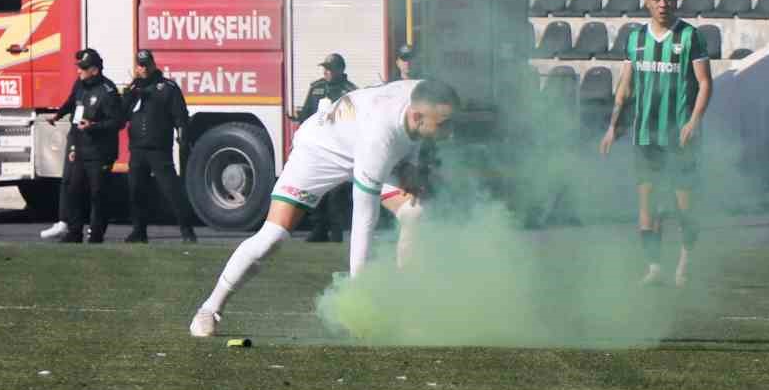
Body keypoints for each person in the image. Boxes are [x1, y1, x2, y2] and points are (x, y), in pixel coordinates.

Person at [190, 78, 460, 338]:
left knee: (415, 214)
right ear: (416, 117)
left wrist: (410, 164)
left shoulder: (423, 94)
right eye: (445, 125)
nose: (451, 132)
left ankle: (408, 312)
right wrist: (358, 297)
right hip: (319, 151)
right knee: (272, 238)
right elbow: (363, 218)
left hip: (363, 146)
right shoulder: (379, 137)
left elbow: (411, 136)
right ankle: (209, 309)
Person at [600, 0, 713, 287]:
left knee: (683, 207)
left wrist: (693, 121)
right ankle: (654, 268)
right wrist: (613, 127)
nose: (663, 5)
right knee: (648, 207)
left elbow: (705, 84)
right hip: (645, 137)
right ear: (647, 1)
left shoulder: (690, 37)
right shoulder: (635, 39)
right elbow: (625, 87)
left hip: (679, 137)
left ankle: (685, 265)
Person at [39, 48, 123, 244]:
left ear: (95, 70)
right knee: (73, 189)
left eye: (83, 68)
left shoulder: (108, 92)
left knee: (97, 193)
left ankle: (96, 233)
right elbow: (71, 103)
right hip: (78, 144)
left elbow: (117, 122)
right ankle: (74, 231)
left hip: (99, 151)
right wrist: (58, 115)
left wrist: (94, 126)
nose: (79, 71)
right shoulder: (80, 85)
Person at [122, 48, 199, 244]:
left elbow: (180, 117)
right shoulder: (133, 90)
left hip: (158, 149)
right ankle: (139, 231)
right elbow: (121, 116)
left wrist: (182, 137)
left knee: (172, 190)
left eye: (146, 64)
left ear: (153, 64)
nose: (143, 69)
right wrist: (129, 94)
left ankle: (187, 231)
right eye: (140, 65)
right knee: (135, 191)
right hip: (137, 149)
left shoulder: (167, 88)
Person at [294, 53, 357, 243]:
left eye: (330, 69)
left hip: (338, 149)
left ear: (341, 70)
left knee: (336, 193)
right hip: (317, 148)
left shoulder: (350, 92)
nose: (326, 72)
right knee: (315, 190)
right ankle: (318, 229)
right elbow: (305, 116)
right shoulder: (316, 88)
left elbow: (354, 122)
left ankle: (336, 232)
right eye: (325, 68)